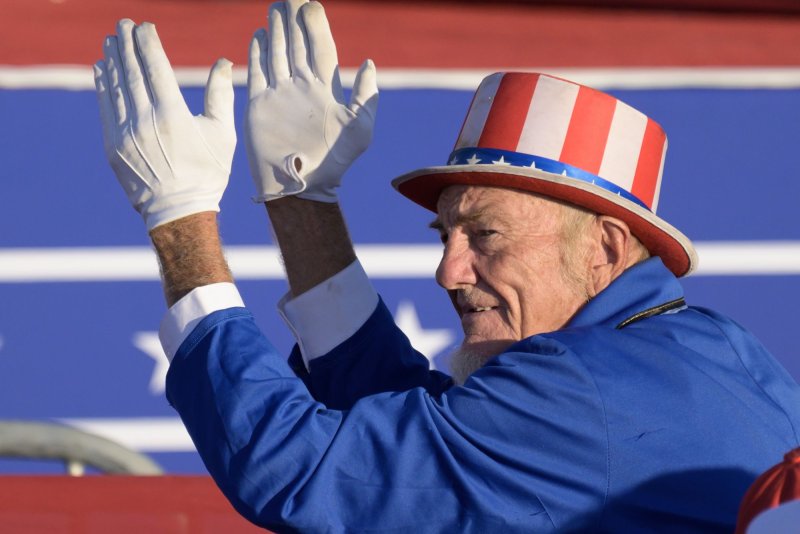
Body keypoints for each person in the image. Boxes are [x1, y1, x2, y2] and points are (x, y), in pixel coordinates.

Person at [94, 1, 800, 531]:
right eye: (446, 235)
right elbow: (433, 438)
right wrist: (300, 200)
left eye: (485, 235)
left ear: (607, 248)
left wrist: (180, 219)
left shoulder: (583, 392)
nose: (448, 272)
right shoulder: (712, 345)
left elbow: (303, 469)